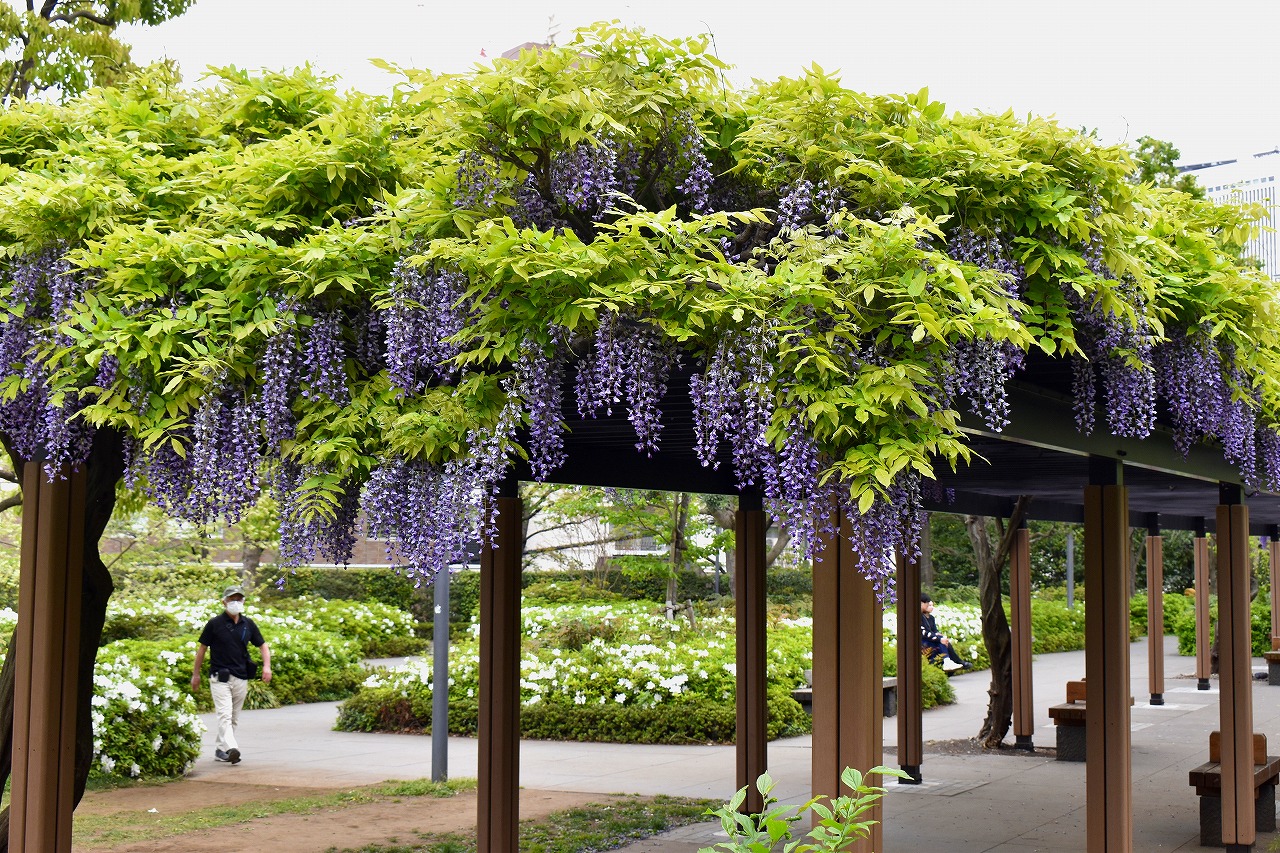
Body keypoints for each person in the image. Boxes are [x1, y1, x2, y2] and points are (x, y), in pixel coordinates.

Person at [191, 585, 272, 764]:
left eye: (238, 599)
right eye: (231, 599)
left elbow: (263, 645)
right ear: (224, 602)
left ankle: (221, 750)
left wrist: (267, 667)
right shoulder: (214, 624)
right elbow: (202, 649)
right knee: (225, 715)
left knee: (233, 718)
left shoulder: (248, 624)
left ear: (243, 601)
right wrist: (195, 675)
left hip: (241, 676)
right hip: (220, 677)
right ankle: (231, 747)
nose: (235, 602)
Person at [920, 593, 971, 672]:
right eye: (927, 604)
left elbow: (932, 630)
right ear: (921, 603)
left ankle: (949, 661)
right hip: (923, 642)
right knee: (941, 641)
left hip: (928, 639)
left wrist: (938, 636)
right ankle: (950, 661)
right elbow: (923, 633)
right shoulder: (918, 617)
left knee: (943, 640)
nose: (928, 606)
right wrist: (939, 639)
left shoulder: (929, 617)